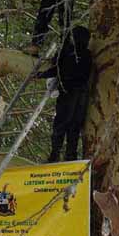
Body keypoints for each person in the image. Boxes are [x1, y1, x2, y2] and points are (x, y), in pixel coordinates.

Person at [39, 25, 92, 162]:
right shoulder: (86, 54)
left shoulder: (67, 51)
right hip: (80, 93)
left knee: (63, 123)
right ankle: (69, 155)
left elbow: (56, 68)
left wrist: (41, 74)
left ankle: (56, 154)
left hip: (70, 91)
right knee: (73, 125)